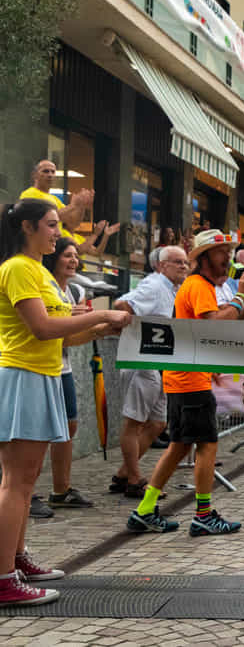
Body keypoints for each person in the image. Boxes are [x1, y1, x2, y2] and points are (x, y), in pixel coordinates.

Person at [0, 199, 129, 607]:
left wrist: (99, 326)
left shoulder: (36, 269)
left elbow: (59, 336)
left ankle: (16, 560)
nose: (58, 233)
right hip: (23, 376)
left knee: (25, 481)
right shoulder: (19, 267)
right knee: (16, 483)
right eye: (52, 225)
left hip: (40, 376)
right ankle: (4, 577)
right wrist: (98, 318)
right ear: (27, 227)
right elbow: (41, 328)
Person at [126, 230, 244, 537]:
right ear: (203, 258)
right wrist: (241, 296)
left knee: (179, 446)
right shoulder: (199, 286)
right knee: (207, 444)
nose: (227, 257)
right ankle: (203, 514)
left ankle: (145, 510)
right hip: (190, 379)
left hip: (185, 376)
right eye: (220, 252)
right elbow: (212, 324)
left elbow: (221, 323)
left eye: (229, 252)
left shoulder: (197, 286)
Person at [111, 245, 188, 497]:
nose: (183, 267)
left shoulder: (170, 288)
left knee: (157, 423)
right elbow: (122, 305)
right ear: (161, 265)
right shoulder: (155, 285)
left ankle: (124, 473)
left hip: (156, 362)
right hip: (141, 362)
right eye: (177, 262)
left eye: (185, 262)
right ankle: (134, 479)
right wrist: (130, 331)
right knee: (134, 422)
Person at [38, 238, 93, 510]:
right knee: (34, 433)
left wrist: (97, 326)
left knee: (68, 426)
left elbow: (70, 338)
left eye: (76, 256)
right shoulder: (42, 285)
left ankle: (61, 489)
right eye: (67, 255)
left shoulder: (75, 291)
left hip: (63, 367)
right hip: (36, 366)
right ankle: (27, 492)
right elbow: (45, 326)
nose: (73, 260)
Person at [21, 160, 120, 256]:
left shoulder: (55, 199)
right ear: (35, 175)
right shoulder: (29, 194)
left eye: (53, 172)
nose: (50, 174)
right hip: (37, 248)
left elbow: (73, 223)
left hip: (51, 251)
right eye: (45, 171)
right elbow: (47, 218)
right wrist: (73, 206)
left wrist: (82, 206)